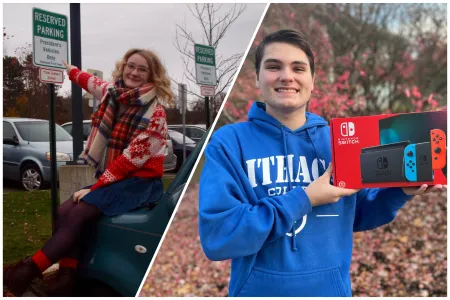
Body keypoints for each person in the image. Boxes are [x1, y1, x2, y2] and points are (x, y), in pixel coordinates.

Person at [198, 30, 444, 297]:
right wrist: (304, 198)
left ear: (312, 81)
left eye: (298, 68)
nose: (286, 76)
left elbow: (357, 213)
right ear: (257, 77)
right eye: (273, 66)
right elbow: (219, 237)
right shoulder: (229, 143)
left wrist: (400, 191)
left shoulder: (339, 140)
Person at [4, 48, 173, 297]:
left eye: (142, 69)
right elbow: (90, 82)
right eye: (131, 65)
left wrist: (94, 188)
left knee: (80, 210)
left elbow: (129, 161)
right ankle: (66, 275)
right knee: (64, 210)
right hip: (115, 179)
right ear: (123, 66)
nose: (134, 72)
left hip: (139, 182)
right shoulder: (112, 94)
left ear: (152, 75)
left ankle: (26, 272)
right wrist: (69, 70)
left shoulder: (156, 113)